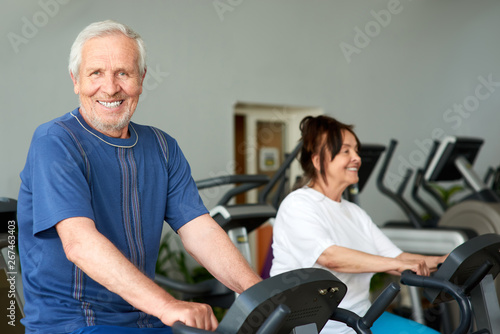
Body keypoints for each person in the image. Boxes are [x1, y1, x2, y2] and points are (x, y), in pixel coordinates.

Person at [17, 20, 262, 334]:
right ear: (75, 80)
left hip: (147, 320)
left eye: (123, 73)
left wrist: (261, 296)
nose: (110, 87)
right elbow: (80, 243)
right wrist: (169, 306)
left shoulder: (162, 147)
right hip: (72, 324)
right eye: (96, 73)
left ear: (142, 78)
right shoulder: (55, 141)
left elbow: (199, 231)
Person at [270, 115, 447, 334]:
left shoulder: (355, 213)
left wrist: (445, 261)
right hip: (319, 326)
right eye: (346, 151)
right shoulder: (298, 204)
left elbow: (398, 258)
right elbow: (330, 257)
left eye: (356, 150)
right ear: (317, 161)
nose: (356, 158)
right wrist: (395, 265)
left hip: (362, 318)